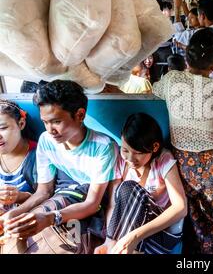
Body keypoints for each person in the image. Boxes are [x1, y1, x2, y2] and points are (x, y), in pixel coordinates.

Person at [0, 80, 122, 252]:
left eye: (56, 121)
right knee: (21, 230)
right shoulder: (46, 141)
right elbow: (44, 191)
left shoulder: (103, 147)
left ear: (80, 115)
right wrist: (13, 214)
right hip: (61, 197)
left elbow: (93, 203)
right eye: (45, 122)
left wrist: (51, 218)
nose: (50, 130)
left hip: (89, 206)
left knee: (62, 241)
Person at [152, 28, 213, 254]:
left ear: (187, 54)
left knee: (194, 218)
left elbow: (153, 90)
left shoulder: (171, 80)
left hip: (183, 164)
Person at [94, 113, 187, 254]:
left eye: (137, 153)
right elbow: (114, 205)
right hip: (128, 236)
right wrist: (109, 241)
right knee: (123, 191)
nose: (130, 158)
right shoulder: (121, 160)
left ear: (154, 147)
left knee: (129, 188)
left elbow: (181, 208)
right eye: (125, 150)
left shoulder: (163, 160)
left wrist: (135, 236)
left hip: (159, 236)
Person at [0, 100, 37, 213]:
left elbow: (49, 197)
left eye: (2, 128)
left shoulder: (39, 156)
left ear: (21, 124)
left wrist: (20, 196)